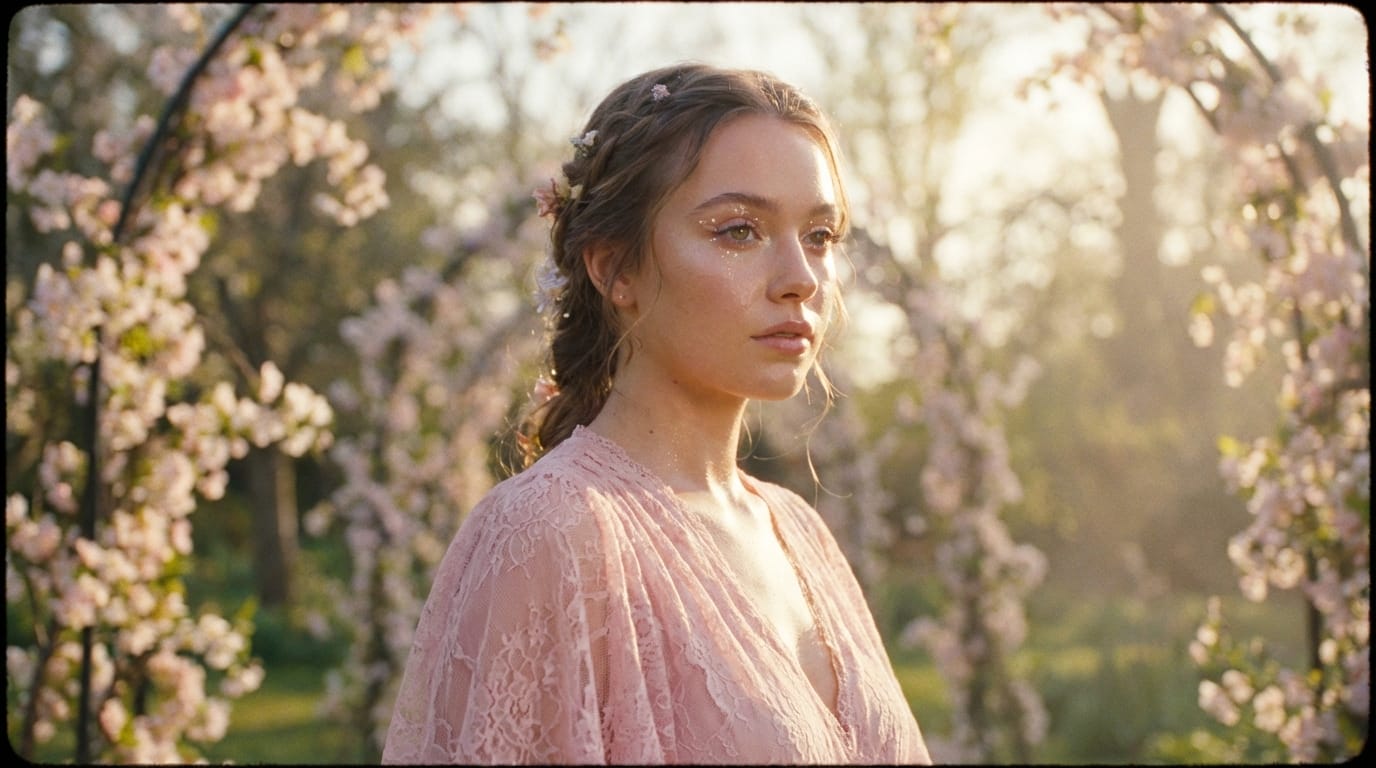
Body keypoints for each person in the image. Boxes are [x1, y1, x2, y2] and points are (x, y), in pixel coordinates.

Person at [381, 62, 931, 765]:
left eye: (820, 236)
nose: (801, 279)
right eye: (739, 230)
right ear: (614, 269)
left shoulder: (799, 530)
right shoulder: (553, 533)